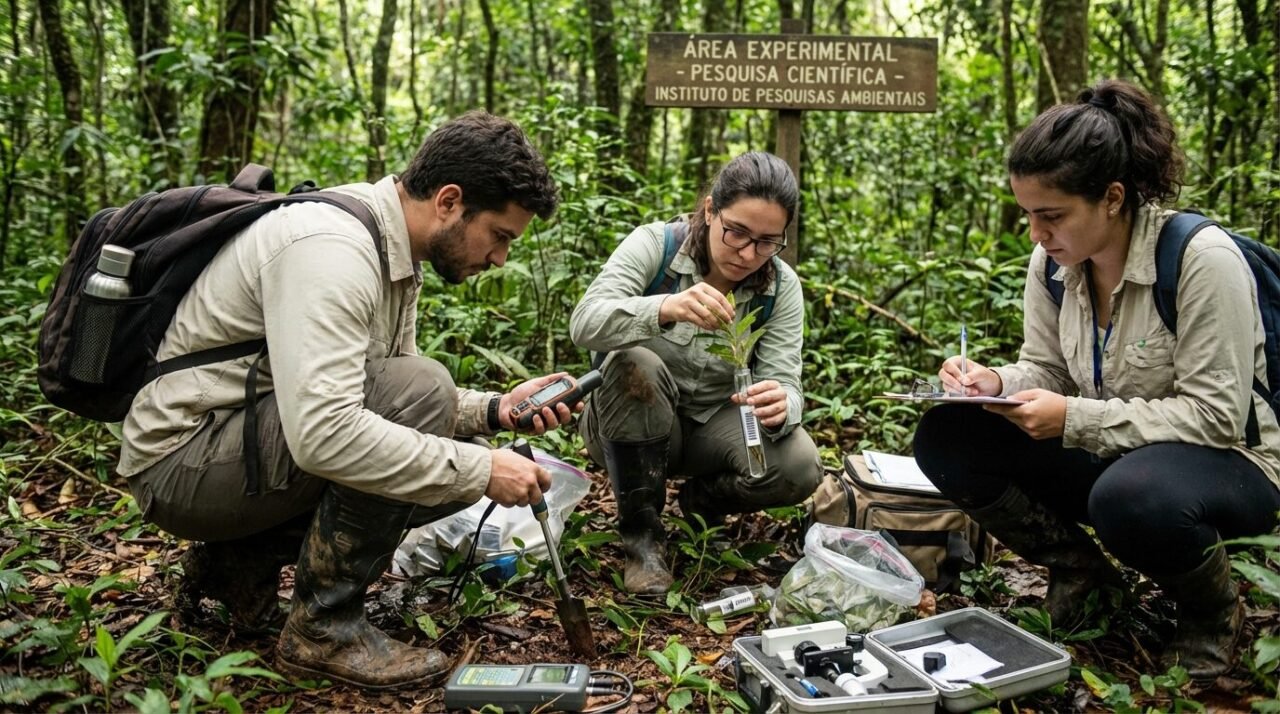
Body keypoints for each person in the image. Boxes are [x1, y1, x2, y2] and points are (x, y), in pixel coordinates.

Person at [119, 112, 575, 689]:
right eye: (500, 235)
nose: (500, 257)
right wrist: (482, 469)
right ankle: (323, 630)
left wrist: (493, 410)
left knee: (436, 422)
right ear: (449, 201)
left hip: (234, 446)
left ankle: (236, 566)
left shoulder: (391, 248)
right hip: (182, 463)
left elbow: (382, 390)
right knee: (437, 424)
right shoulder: (332, 249)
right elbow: (330, 432)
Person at [912, 79, 1280, 684]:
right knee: (949, 434)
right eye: (1028, 214)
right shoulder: (1052, 265)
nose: (1036, 233)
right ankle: (1083, 575)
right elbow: (1048, 368)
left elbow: (1216, 417)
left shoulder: (1201, 260)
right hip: (1119, 450)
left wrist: (1073, 418)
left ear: (1112, 198)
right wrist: (993, 382)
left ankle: (1210, 613)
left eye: (1052, 216)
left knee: (1129, 495)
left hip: (1231, 466)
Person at [569, 151, 823, 594]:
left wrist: (784, 403)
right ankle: (642, 541)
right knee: (635, 364)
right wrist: (663, 308)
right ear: (710, 210)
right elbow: (585, 323)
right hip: (626, 422)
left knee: (798, 465)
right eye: (736, 232)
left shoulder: (780, 287)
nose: (748, 253)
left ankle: (703, 503)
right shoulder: (655, 246)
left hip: (712, 427)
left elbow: (786, 379)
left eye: (767, 242)